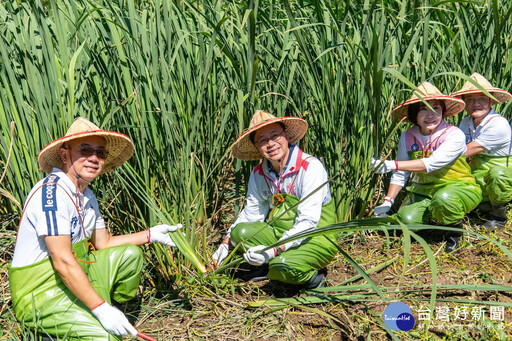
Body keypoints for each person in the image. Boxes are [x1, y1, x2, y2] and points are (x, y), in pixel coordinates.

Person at [9, 117, 182, 340]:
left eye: (100, 152)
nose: (94, 158)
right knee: (106, 337)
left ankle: (105, 308)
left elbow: (104, 243)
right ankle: (61, 326)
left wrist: (150, 234)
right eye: (85, 149)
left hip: (77, 274)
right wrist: (100, 309)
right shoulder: (51, 194)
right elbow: (61, 260)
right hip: (42, 292)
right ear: (64, 155)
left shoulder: (86, 195)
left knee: (129, 256)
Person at [211, 110, 338, 289]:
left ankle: (314, 278)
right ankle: (268, 266)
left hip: (315, 237)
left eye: (275, 135)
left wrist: (274, 250)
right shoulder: (259, 174)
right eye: (262, 140)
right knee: (239, 233)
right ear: (256, 147)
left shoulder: (310, 168)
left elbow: (308, 222)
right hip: (279, 233)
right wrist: (225, 245)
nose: (270, 144)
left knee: (284, 265)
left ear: (286, 136)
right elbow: (251, 214)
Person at [371, 82, 482, 253]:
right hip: (423, 192)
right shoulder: (407, 136)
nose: (430, 115)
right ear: (414, 114)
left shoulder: (453, 134)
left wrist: (390, 164)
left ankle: (454, 233)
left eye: (436, 109)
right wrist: (388, 201)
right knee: (406, 221)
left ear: (443, 112)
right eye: (424, 109)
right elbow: (401, 173)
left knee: (444, 199)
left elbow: (430, 164)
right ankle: (430, 218)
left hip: (459, 188)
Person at [451, 73, 512, 230]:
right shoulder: (465, 123)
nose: (475, 103)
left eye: (481, 98)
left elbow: (463, 152)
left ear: (491, 101)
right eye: (470, 99)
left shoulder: (499, 124)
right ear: (464, 102)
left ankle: (499, 216)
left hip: (500, 179)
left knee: (497, 174)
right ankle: (481, 205)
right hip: (478, 178)